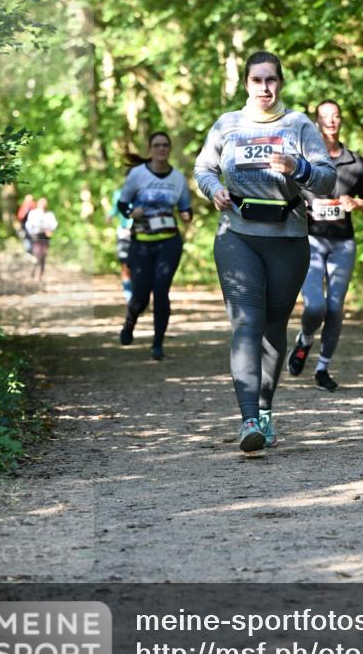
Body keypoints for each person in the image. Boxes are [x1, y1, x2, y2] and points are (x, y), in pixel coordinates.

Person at [194, 51, 335, 455]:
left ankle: (265, 410)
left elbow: (327, 180)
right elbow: (203, 168)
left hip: (288, 238)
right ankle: (248, 420)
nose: (264, 88)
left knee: (273, 328)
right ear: (246, 84)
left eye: (271, 80)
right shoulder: (227, 124)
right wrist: (213, 189)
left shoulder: (299, 125)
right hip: (237, 235)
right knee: (246, 323)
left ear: (281, 83)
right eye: (257, 80)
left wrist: (298, 168)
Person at [288, 99, 363, 391]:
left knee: (335, 308)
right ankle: (305, 340)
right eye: (325, 117)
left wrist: (356, 203)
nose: (331, 121)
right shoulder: (304, 161)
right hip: (310, 241)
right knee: (316, 306)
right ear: (317, 122)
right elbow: (286, 195)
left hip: (343, 243)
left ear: (341, 120)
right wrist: (301, 208)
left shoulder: (356, 163)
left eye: (335, 116)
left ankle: (322, 368)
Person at [117, 131, 192, 361]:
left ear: (169, 149)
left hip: (169, 242)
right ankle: (130, 321)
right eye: (157, 145)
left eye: (165, 145)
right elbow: (122, 204)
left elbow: (185, 208)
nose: (162, 149)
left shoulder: (178, 178)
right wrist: (132, 212)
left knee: (161, 290)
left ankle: (157, 344)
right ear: (150, 149)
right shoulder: (138, 174)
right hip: (141, 243)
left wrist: (187, 215)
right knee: (140, 296)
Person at [25, 197, 58, 282]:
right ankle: (33, 272)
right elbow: (29, 225)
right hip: (35, 236)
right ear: (38, 204)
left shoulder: (49, 214)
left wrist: (49, 229)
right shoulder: (33, 213)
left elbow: (54, 225)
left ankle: (40, 275)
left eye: (44, 203)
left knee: (43, 255)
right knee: (36, 254)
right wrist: (32, 233)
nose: (43, 205)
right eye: (41, 203)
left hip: (45, 236)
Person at [108, 189, 133, 302]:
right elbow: (115, 208)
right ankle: (129, 297)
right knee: (125, 265)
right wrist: (110, 215)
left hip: (141, 233)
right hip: (124, 233)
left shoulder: (143, 191)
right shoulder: (119, 194)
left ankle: (140, 295)